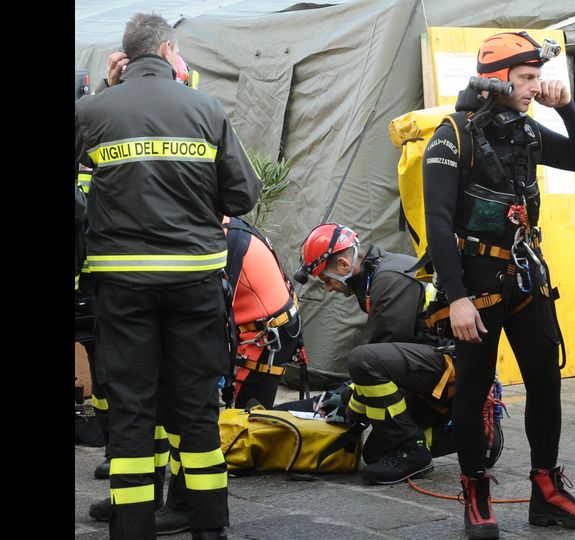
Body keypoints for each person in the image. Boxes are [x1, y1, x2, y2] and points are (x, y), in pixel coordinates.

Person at [75, 12, 261, 540]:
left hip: (123, 283)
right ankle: (209, 527)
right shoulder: (204, 106)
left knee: (132, 407)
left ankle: (132, 528)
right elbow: (243, 195)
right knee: (195, 405)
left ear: (125, 58)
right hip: (194, 283)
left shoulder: (93, 110)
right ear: (168, 49)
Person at [422, 31, 575, 539]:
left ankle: (546, 490)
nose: (534, 86)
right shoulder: (451, 135)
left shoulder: (526, 130)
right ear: (496, 80)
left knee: (546, 382)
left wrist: (567, 108)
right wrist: (456, 297)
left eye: (534, 77)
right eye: (525, 79)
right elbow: (437, 222)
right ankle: (475, 493)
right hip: (475, 285)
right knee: (475, 389)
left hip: (526, 277)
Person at [288, 223, 504, 484]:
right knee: (376, 452)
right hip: (431, 365)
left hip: (451, 369)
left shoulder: (390, 278)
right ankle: (471, 435)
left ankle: (413, 451)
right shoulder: (374, 276)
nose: (329, 288)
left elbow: (380, 361)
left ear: (344, 265)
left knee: (362, 360)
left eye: (326, 280)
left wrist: (347, 404)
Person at [222, 215, 304, 410]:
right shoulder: (227, 224)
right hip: (274, 326)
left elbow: (214, 309)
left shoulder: (219, 235)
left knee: (249, 419)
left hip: (267, 337)